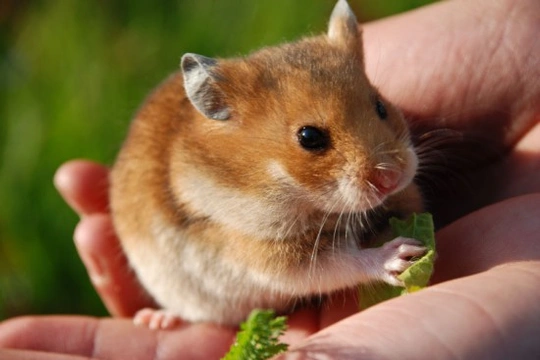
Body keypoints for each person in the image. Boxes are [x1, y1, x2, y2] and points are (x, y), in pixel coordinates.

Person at [1, 0, 539, 358]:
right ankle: (180, 315)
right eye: (313, 140)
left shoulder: (345, 86)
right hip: (194, 270)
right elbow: (274, 262)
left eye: (377, 109)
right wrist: (368, 263)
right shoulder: (234, 179)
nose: (387, 168)